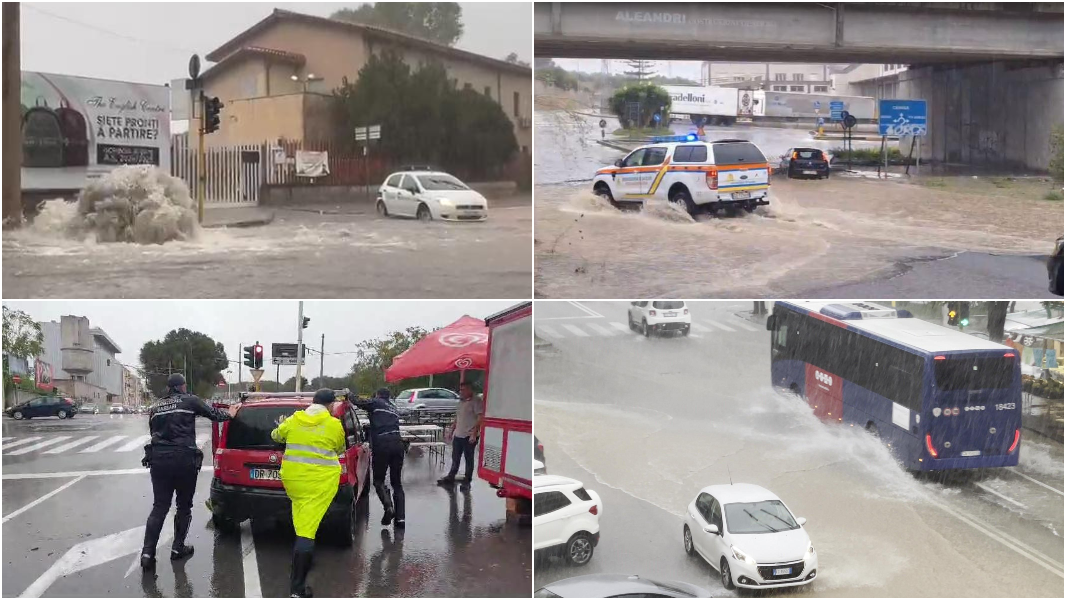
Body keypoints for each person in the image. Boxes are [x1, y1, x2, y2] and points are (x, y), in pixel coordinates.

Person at [141, 373, 237, 570]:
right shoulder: (190, 400)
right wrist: (231, 413)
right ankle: (177, 548)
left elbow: (153, 432)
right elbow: (215, 415)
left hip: (159, 459)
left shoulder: (156, 406)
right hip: (184, 459)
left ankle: (147, 553)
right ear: (182, 386)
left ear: (169, 388)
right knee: (184, 506)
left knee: (159, 506)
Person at [271, 388, 346, 598]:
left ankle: (304, 559)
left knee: (302, 519)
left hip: (294, 481)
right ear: (330, 405)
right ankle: (297, 589)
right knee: (307, 531)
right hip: (320, 484)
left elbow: (275, 435)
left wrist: (281, 427)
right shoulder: (333, 424)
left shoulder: (295, 419)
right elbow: (339, 448)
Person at [351, 388, 406, 528]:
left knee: (378, 480)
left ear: (378, 395)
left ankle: (388, 507)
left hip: (382, 444)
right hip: (398, 444)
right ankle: (400, 520)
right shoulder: (393, 407)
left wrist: (348, 394)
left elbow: (358, 401)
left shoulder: (376, 402)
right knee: (397, 484)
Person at [437, 382, 484, 490]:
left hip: (469, 435)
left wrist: (474, 433)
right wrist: (451, 431)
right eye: (460, 390)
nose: (461, 392)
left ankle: (467, 481)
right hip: (459, 434)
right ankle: (450, 477)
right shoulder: (461, 402)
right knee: (455, 457)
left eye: (463, 390)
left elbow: (480, 418)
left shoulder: (476, 401)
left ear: (469, 390)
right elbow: (457, 418)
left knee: (469, 459)